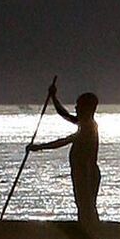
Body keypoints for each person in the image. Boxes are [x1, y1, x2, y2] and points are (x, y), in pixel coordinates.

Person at [27, 82, 101, 227]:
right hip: (81, 172)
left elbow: (64, 141)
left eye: (78, 105)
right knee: (83, 204)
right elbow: (64, 114)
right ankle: (88, 230)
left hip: (87, 173)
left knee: (86, 205)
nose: (76, 108)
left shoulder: (89, 128)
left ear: (87, 109)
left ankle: (91, 231)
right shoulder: (84, 123)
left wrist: (39, 147)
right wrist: (54, 97)